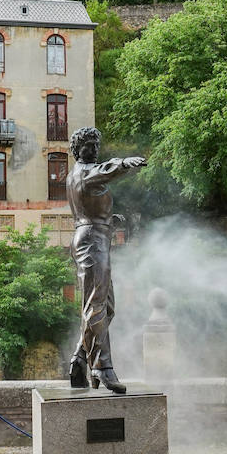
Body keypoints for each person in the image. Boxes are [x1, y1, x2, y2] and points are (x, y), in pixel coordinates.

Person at [65, 126, 145, 394]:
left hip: (94, 236)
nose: (94, 149)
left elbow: (88, 207)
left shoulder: (79, 174)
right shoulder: (85, 172)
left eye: (96, 144)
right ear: (77, 149)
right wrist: (123, 163)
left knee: (106, 307)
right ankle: (101, 365)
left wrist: (110, 220)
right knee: (96, 306)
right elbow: (105, 170)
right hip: (92, 242)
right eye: (89, 145)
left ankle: (79, 357)